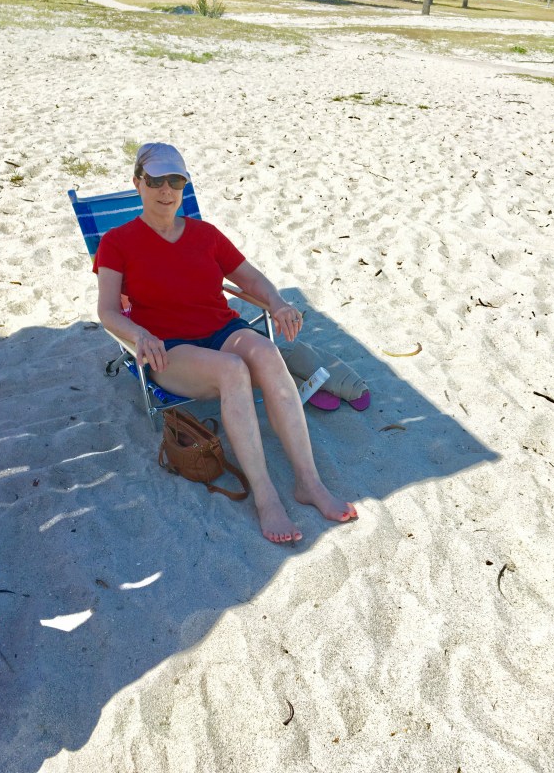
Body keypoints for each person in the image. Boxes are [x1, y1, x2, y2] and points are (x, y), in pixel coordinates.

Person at [94, 142, 357, 544]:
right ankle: (266, 496)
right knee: (232, 370)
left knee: (268, 354)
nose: (166, 190)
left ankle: (308, 482)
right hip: (170, 346)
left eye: (175, 180)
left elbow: (249, 278)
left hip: (220, 329)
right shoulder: (117, 241)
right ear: (138, 183)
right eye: (155, 181)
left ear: (184, 185)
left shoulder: (205, 234)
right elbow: (108, 311)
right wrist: (139, 335)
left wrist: (278, 302)